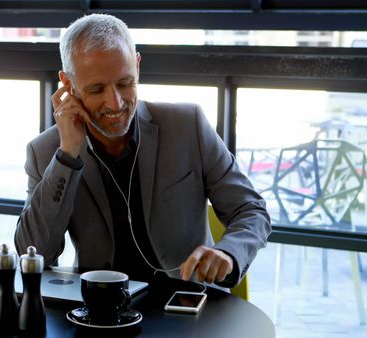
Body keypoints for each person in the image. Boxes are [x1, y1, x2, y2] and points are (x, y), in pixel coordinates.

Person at [14, 13, 270, 287]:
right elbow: (35, 253)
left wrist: (228, 253)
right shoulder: (47, 152)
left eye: (125, 83)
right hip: (100, 311)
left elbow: (251, 210)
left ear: (137, 65)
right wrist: (67, 156)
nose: (115, 103)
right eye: (97, 89)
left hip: (184, 305)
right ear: (68, 84)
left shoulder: (188, 125)